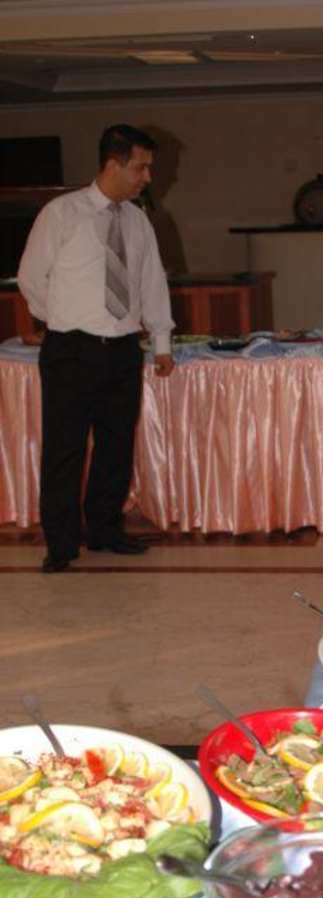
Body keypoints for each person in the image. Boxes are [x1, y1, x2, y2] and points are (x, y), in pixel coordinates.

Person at [18, 123, 175, 573]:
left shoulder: (138, 220)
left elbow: (152, 282)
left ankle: (106, 530)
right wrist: (62, 320)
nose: (147, 177)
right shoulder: (61, 214)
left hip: (123, 349)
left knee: (115, 445)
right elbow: (31, 278)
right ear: (114, 164)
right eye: (141, 167)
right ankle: (61, 544)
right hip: (71, 349)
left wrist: (161, 341)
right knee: (64, 448)